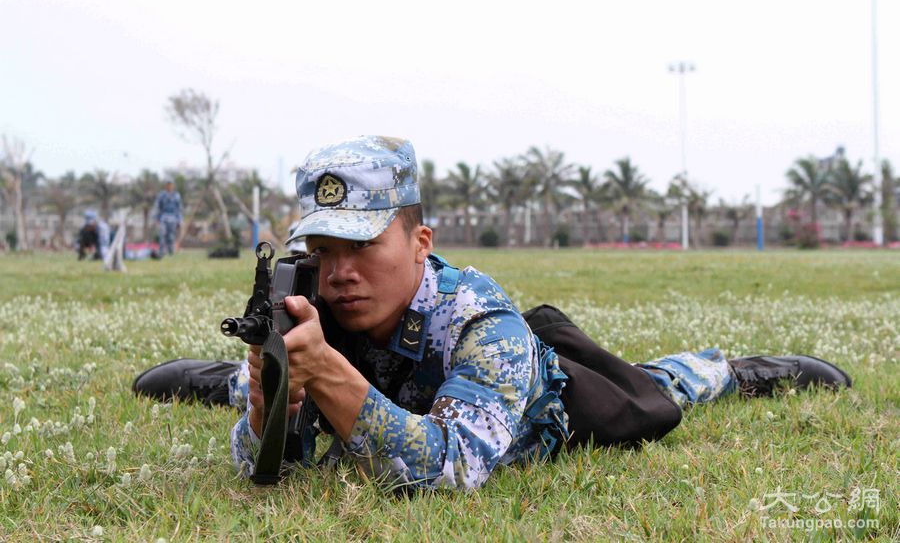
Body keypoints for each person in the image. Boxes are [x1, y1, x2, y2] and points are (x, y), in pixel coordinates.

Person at [133, 135, 852, 490]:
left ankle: (739, 371)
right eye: (321, 248)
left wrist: (330, 379)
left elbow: (452, 468)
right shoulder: (316, 299)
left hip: (539, 398)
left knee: (654, 395)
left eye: (360, 244)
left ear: (421, 243)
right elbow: (273, 468)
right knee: (251, 381)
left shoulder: (485, 323)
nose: (340, 270)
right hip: (390, 391)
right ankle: (223, 379)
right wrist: (267, 406)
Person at [154, 180, 183, 256]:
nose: (169, 186)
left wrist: (180, 220)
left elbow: (179, 209)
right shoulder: (161, 195)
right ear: (166, 186)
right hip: (164, 217)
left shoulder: (177, 195)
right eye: (168, 184)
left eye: (171, 185)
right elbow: (157, 208)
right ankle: (161, 251)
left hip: (173, 217)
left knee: (171, 236)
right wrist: (157, 219)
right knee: (162, 234)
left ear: (173, 186)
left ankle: (171, 251)